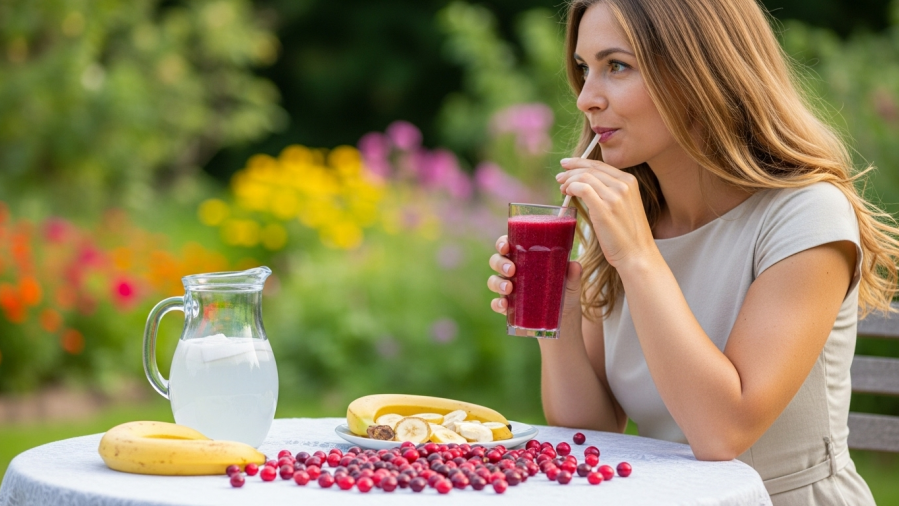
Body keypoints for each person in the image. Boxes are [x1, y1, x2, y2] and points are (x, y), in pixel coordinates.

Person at [486, 0, 899, 504]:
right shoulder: (622, 222)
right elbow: (592, 429)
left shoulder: (805, 216)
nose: (586, 98)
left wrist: (638, 256)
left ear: (697, 71)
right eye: (583, 69)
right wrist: (560, 311)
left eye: (616, 66)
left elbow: (723, 432)